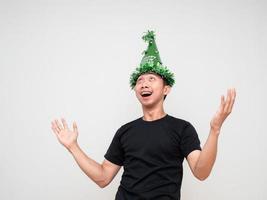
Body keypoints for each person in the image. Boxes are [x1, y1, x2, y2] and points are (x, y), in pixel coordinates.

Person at [51, 30, 236, 200]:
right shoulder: (125, 131)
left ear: (166, 89)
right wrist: (73, 147)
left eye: (151, 79)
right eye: (140, 80)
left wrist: (215, 130)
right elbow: (103, 177)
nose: (144, 84)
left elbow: (201, 172)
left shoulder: (182, 128)